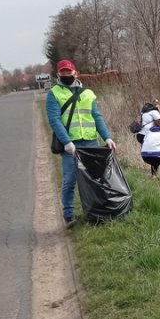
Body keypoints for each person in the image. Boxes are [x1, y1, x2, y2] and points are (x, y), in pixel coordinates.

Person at [45, 59, 116, 228]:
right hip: (71, 145)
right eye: (63, 73)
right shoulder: (54, 94)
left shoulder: (88, 94)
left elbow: (96, 116)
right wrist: (67, 142)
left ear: (75, 73)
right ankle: (69, 216)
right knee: (70, 180)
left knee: (94, 179)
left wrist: (107, 137)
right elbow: (54, 120)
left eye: (69, 72)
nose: (66, 75)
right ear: (58, 75)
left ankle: (96, 212)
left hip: (91, 141)